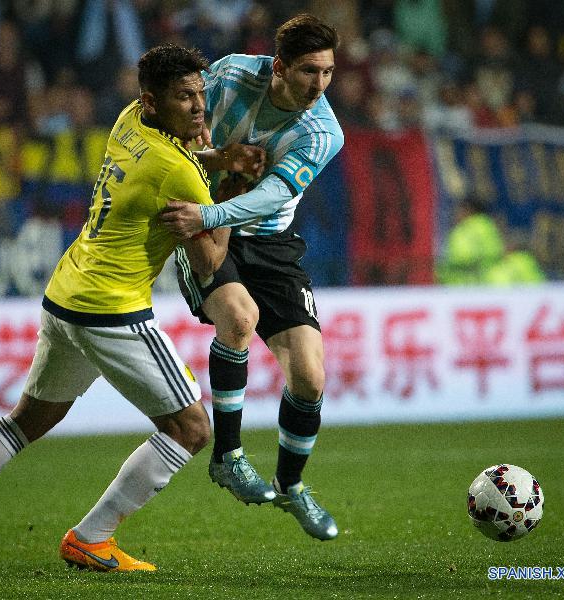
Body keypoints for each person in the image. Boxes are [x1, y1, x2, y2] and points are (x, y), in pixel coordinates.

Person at [0, 44, 262, 574]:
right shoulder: (177, 171)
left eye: (200, 94)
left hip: (66, 294)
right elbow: (209, 261)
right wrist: (233, 190)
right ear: (154, 102)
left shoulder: (129, 121)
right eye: (185, 97)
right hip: (112, 310)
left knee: (27, 419)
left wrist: (216, 159)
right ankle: (93, 536)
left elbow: (172, 165)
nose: (199, 107)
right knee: (191, 428)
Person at [160, 14, 344, 541]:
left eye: (328, 72)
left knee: (310, 379)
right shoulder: (232, 75)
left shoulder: (322, 131)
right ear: (280, 66)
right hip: (208, 228)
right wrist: (209, 196)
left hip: (268, 241)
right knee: (240, 319)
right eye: (310, 71)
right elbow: (179, 136)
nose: (320, 85)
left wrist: (211, 214)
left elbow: (276, 193)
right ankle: (228, 456)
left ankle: (291, 486)